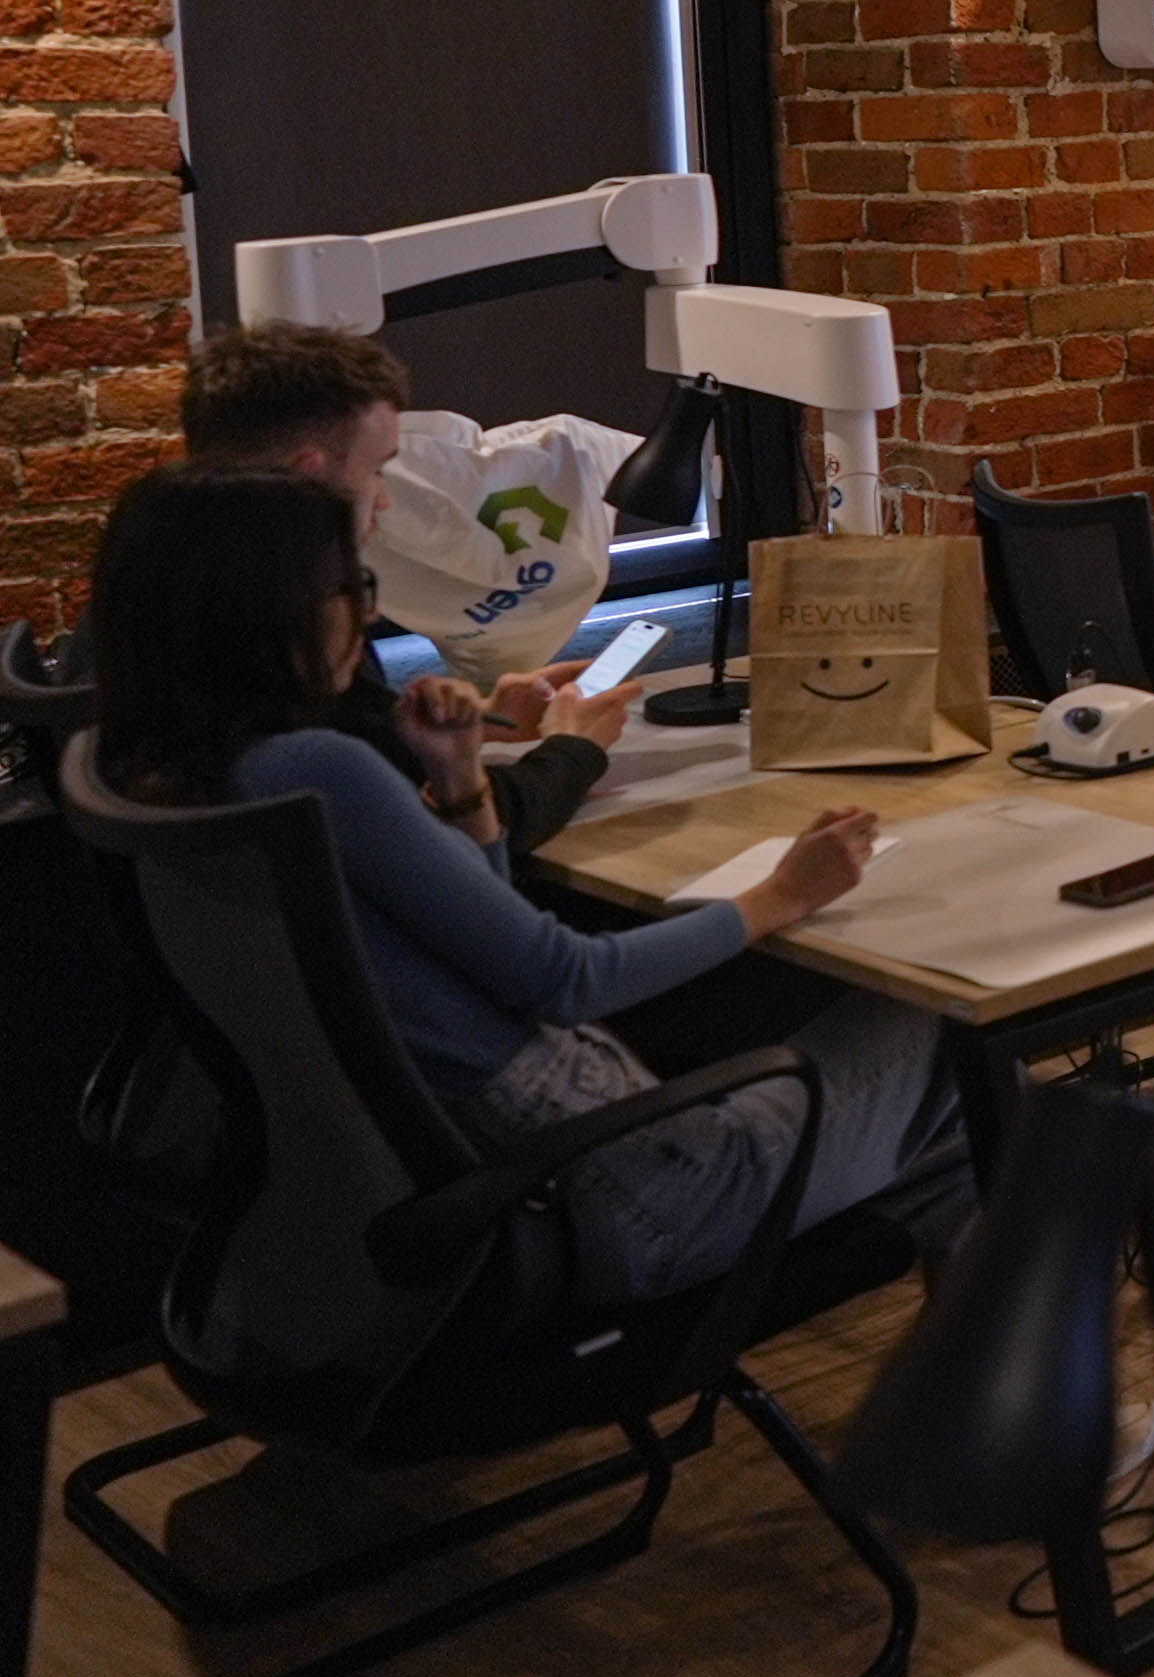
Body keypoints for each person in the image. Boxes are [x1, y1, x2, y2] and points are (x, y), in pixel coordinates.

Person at [83, 466, 970, 1305]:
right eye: (350, 587)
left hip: (492, 1191)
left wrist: (461, 781)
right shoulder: (316, 769)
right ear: (262, 615)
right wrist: (782, 894)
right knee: (955, 1026)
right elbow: (564, 977)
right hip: (620, 1185)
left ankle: (962, 1392)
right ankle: (989, 1399)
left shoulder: (163, 770)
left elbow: (494, 945)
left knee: (959, 1157)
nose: (368, 610)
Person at [181, 324, 628, 853]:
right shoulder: (296, 627)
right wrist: (574, 748)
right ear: (310, 475)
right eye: (377, 470)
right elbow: (468, 821)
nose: (386, 499)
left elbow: (377, 756)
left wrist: (482, 722)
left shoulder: (180, 591)